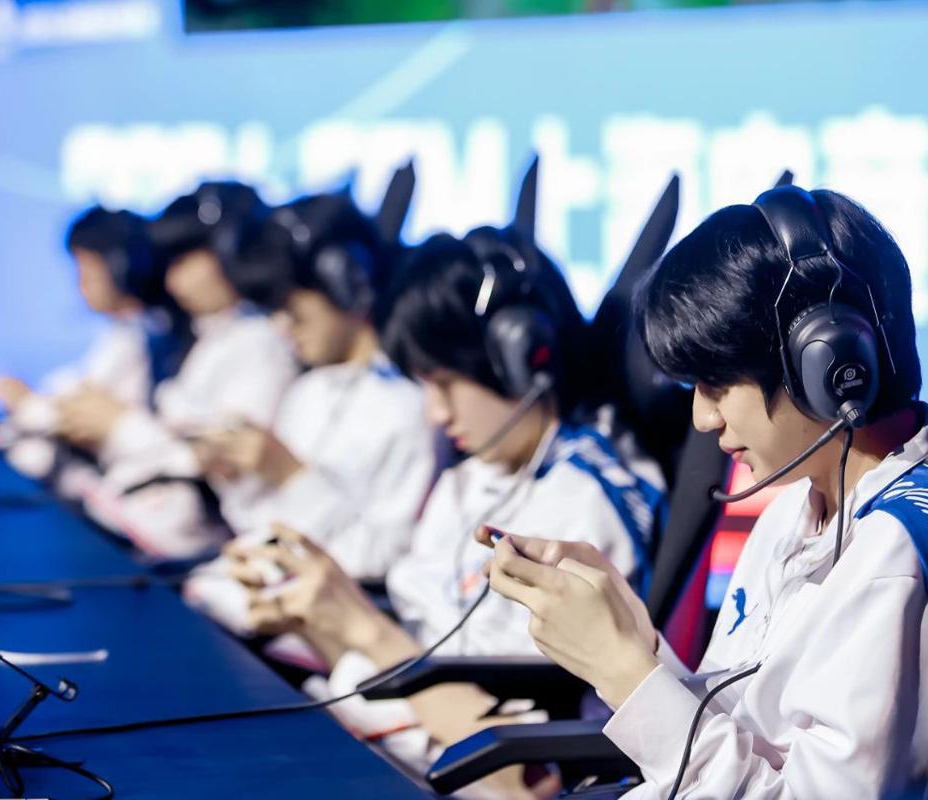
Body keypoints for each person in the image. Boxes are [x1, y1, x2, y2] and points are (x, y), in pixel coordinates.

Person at [481, 186, 928, 799]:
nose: (702, 418)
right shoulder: (801, 507)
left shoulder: (893, 560)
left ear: (827, 365)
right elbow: (736, 731)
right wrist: (634, 638)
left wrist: (622, 672)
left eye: (715, 385)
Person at [230, 226, 665, 789]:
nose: (435, 414)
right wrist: (315, 610)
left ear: (522, 358)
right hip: (406, 742)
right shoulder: (472, 476)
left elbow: (522, 769)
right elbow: (420, 642)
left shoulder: (585, 505)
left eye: (444, 383)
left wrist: (363, 628)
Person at [183, 192, 436, 635]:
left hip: (327, 630)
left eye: (291, 307)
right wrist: (236, 475)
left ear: (348, 284)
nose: (281, 325)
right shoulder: (307, 392)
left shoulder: (409, 408)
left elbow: (382, 560)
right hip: (254, 605)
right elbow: (259, 525)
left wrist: (290, 476)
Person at [69, 181, 297, 559]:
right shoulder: (202, 336)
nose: (174, 282)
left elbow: (223, 464)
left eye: (186, 261)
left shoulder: (261, 346)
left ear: (232, 253)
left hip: (211, 540)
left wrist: (119, 425)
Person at [0, 206, 186, 497]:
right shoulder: (124, 332)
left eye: (88, 272)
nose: (80, 284)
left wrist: (27, 404)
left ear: (123, 270)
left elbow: (81, 414)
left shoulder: (143, 336)